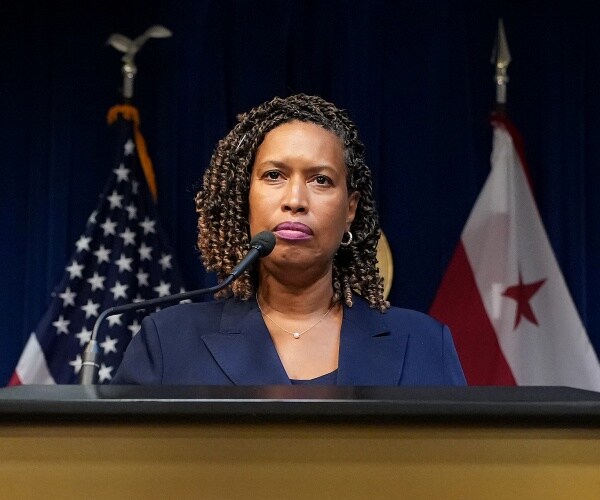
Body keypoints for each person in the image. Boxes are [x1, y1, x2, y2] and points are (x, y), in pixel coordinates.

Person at [112, 94, 466, 386]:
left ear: (350, 209)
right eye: (274, 175)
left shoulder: (423, 344)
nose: (295, 200)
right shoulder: (169, 342)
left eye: (321, 180)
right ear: (244, 198)